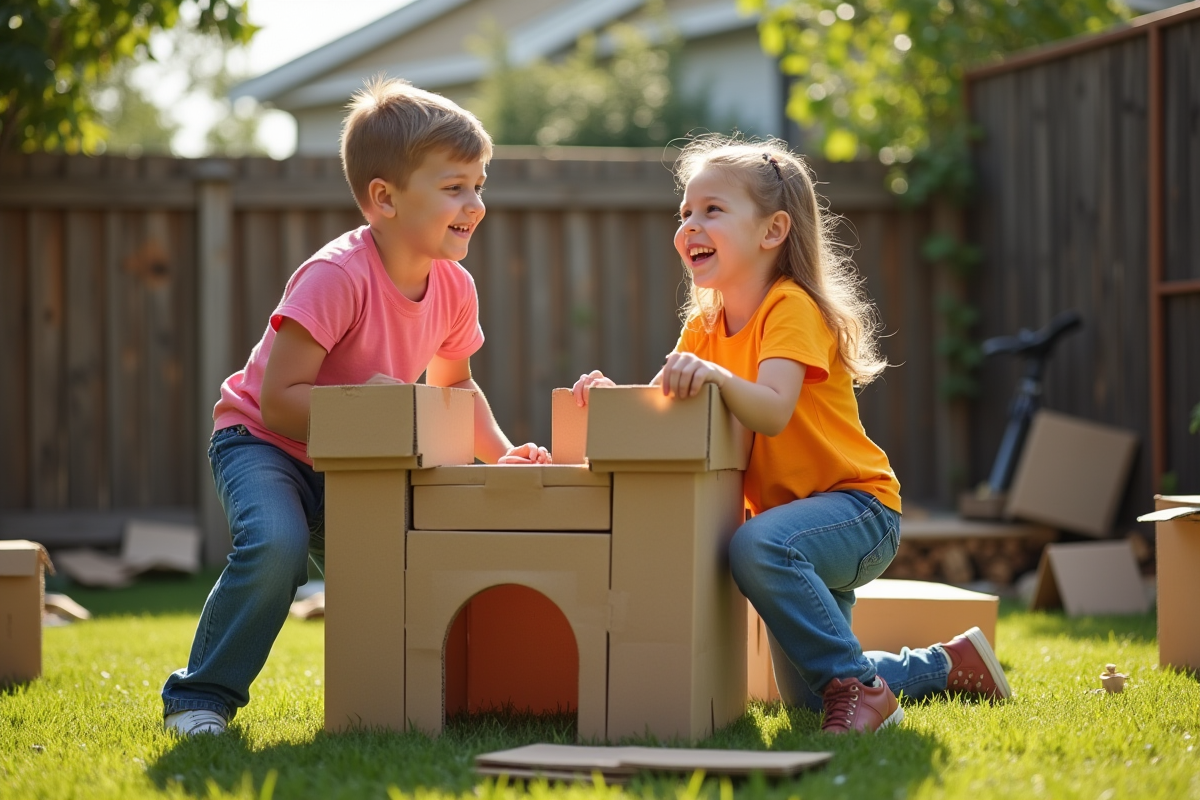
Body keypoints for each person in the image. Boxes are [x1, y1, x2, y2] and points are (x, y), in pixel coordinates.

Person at [572, 136, 1010, 734]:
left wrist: (716, 376)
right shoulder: (704, 327)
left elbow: (774, 410)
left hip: (857, 511)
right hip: (793, 527)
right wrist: (610, 395)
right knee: (806, 698)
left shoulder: (790, 307)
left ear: (773, 230)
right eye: (685, 212)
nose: (690, 225)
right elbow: (661, 414)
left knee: (755, 546)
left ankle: (863, 690)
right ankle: (949, 664)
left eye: (712, 210)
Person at [162, 77, 549, 736]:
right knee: (277, 547)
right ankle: (200, 698)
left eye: (480, 185)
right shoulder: (336, 276)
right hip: (265, 445)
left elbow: (455, 386)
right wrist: (367, 409)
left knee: (406, 560)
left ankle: (403, 700)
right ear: (385, 198)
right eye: (455, 187)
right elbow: (279, 403)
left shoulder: (455, 288)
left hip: (356, 459)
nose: (475, 204)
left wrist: (502, 453)